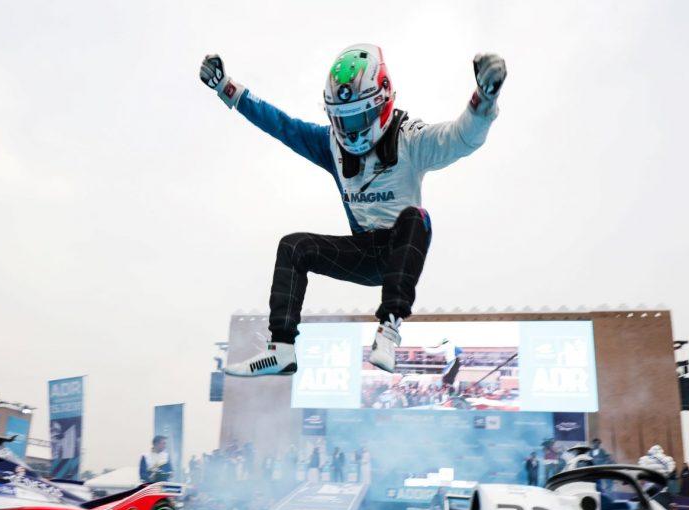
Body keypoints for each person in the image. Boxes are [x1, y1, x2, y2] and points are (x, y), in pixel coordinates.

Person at [201, 45, 506, 376]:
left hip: (402, 251)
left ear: (383, 101)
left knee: (416, 218)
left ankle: (388, 331)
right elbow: (282, 126)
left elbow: (460, 138)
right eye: (341, 119)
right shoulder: (330, 144)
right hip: (364, 254)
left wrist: (483, 99)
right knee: (293, 246)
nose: (351, 130)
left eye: (358, 117)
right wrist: (226, 87)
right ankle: (281, 349)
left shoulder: (410, 140)